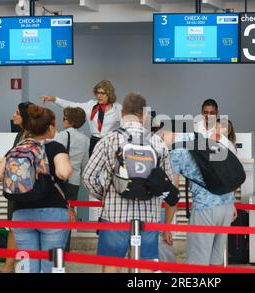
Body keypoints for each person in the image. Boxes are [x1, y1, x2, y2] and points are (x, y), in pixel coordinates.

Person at [83, 92, 177, 273]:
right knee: (145, 265)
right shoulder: (157, 142)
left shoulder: (109, 139)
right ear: (145, 115)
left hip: (114, 216)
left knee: (112, 264)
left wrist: (106, 194)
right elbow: (168, 182)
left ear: (122, 113)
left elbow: (88, 176)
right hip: (148, 217)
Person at [0, 104, 73, 273]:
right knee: (53, 265)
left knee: (27, 266)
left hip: (21, 213)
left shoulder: (16, 149)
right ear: (50, 128)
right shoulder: (55, 148)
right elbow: (64, 173)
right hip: (53, 213)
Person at [159, 128, 238, 266]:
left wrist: (166, 227)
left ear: (161, 138)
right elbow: (222, 170)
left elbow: (173, 194)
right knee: (215, 261)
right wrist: (233, 202)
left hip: (205, 209)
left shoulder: (174, 153)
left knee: (197, 265)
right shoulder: (201, 137)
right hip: (227, 206)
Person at [40, 80, 122, 156]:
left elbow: (124, 127)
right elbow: (72, 105)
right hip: (95, 142)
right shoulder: (91, 105)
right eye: (97, 93)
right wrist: (54, 99)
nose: (99, 96)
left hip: (111, 142)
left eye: (102, 93)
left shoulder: (118, 108)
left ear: (109, 94)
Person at [0, 101, 33, 273]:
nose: (13, 115)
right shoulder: (19, 134)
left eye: (17, 113)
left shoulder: (30, 137)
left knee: (20, 229)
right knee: (13, 227)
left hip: (24, 191)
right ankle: (9, 265)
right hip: (15, 189)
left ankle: (14, 266)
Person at [53, 107, 89, 251]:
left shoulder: (61, 136)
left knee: (56, 214)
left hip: (60, 180)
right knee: (69, 214)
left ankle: (56, 248)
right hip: (74, 181)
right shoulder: (85, 140)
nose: (62, 121)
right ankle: (65, 248)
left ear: (70, 121)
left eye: (64, 118)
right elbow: (85, 163)